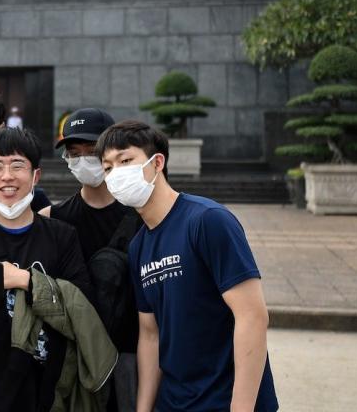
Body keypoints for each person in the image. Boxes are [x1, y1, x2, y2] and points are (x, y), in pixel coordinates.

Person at [0, 107, 141, 412]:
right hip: (72, 358)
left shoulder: (141, 215)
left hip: (130, 352)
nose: (83, 159)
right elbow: (12, 222)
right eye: (75, 151)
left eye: (92, 151)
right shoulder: (54, 217)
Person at [96, 120, 278, 412]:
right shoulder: (139, 246)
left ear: (157, 163)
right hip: (174, 401)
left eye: (126, 160)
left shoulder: (208, 221)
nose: (116, 173)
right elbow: (150, 333)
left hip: (224, 400)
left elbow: (252, 317)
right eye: (107, 168)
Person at [0, 127, 100, 412]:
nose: (7, 176)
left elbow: (83, 304)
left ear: (35, 176)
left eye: (17, 166)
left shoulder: (62, 236)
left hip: (44, 388)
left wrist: (25, 280)